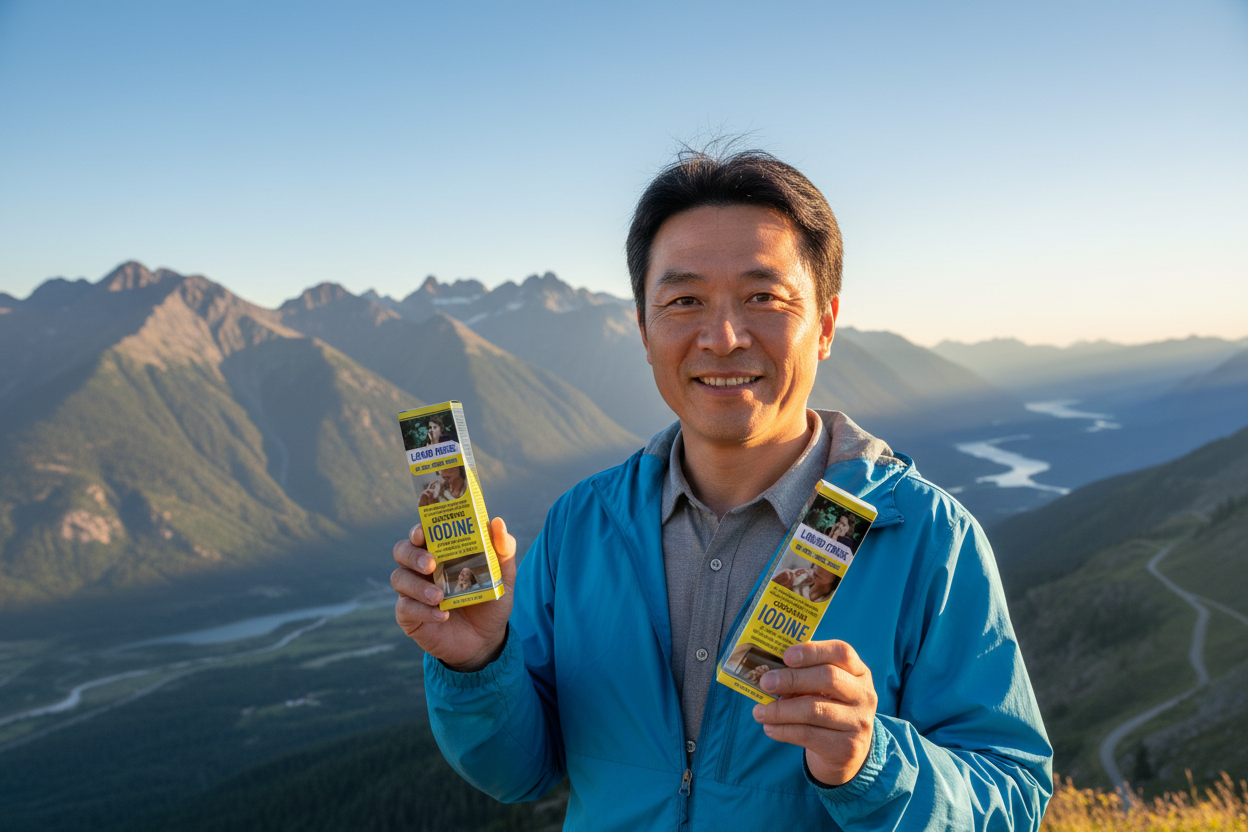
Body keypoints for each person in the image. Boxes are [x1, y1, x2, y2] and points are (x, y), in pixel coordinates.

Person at [391, 149, 1052, 830]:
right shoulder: (582, 525)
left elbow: (1015, 796)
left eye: (763, 297)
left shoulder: (928, 540)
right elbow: (519, 771)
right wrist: (478, 665)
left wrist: (873, 762)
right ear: (644, 331)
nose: (723, 337)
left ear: (823, 325)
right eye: (683, 301)